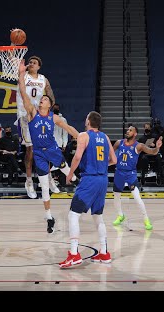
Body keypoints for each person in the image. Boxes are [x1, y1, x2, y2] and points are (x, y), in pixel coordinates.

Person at [18, 61, 79, 233]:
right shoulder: (31, 113)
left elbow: (69, 129)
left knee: (68, 173)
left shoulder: (53, 118)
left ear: (48, 105)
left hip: (53, 150)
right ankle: (49, 217)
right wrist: (21, 74)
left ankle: (76, 181)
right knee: (44, 186)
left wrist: (80, 136)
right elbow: (23, 93)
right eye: (41, 98)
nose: (40, 100)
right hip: (39, 154)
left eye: (44, 99)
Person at [58, 111, 117, 268]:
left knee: (73, 215)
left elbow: (77, 157)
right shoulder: (105, 137)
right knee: (98, 216)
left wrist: (70, 174)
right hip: (103, 180)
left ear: (89, 121)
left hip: (89, 179)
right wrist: (102, 165)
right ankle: (104, 253)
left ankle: (74, 254)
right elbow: (114, 160)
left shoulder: (84, 135)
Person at [15, 55, 56, 198]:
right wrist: (14, 44)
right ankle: (29, 181)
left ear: (39, 66)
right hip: (24, 115)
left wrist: (48, 109)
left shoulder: (43, 79)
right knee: (30, 150)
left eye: (34, 63)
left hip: (39, 116)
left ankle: (48, 177)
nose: (31, 64)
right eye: (30, 62)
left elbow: (51, 95)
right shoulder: (22, 75)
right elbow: (12, 58)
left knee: (45, 147)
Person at [112, 125, 162, 230]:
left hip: (130, 174)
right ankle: (120, 215)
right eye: (127, 130)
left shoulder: (139, 146)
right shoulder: (118, 143)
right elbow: (110, 155)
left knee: (137, 197)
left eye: (130, 130)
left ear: (135, 134)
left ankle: (146, 219)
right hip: (119, 172)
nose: (128, 131)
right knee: (116, 195)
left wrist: (157, 147)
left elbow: (152, 152)